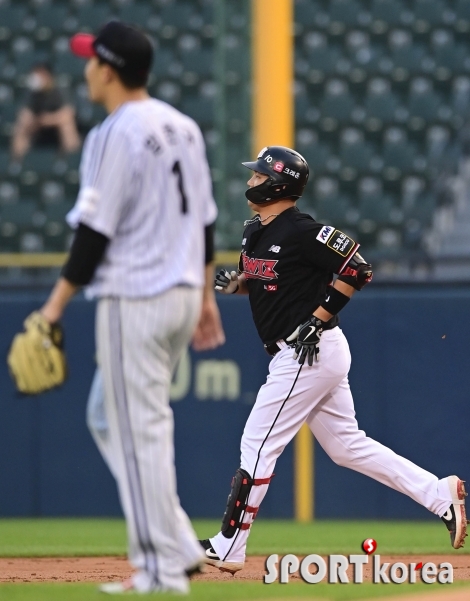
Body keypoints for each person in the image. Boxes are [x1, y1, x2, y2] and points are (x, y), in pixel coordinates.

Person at [199, 145, 468, 574]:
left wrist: (317, 319)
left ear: (277, 183)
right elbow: (273, 281)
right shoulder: (255, 230)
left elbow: (358, 269)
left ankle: (229, 545)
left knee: (257, 442)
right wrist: (241, 285)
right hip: (304, 352)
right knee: (346, 447)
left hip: (309, 350)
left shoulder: (303, 230)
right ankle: (439, 494)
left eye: (258, 175)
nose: (250, 180)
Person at [38, 21, 225, 594]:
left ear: (109, 69)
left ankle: (160, 571)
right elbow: (208, 220)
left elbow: (93, 235)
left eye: (91, 62)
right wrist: (202, 293)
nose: (86, 70)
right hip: (175, 296)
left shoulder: (113, 133)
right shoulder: (183, 126)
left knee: (142, 430)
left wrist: (51, 310)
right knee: (109, 415)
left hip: (134, 300)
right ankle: (177, 541)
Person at [11, 63, 80, 160]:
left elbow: (68, 113)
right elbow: (25, 112)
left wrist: (47, 119)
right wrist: (33, 120)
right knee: (22, 124)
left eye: (40, 74)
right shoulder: (33, 92)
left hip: (56, 128)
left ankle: (72, 160)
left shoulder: (60, 89)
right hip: (38, 129)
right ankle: (17, 163)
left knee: (67, 125)